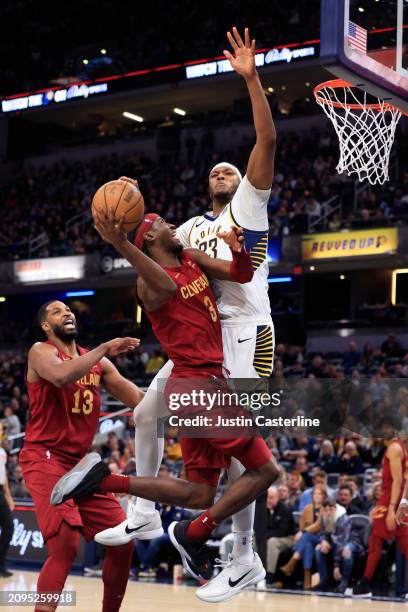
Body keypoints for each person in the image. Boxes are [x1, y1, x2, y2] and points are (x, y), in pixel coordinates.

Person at [95, 25, 277, 604]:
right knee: (147, 413)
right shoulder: (192, 230)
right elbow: (155, 241)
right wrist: (127, 200)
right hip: (199, 345)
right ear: (205, 184)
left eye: (233, 169)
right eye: (217, 171)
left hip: (248, 336)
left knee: (245, 457)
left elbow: (265, 144)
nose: (226, 173)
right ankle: (144, 509)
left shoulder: (247, 205)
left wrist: (251, 80)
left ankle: (242, 557)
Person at [51, 206, 281, 602]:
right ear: (151, 238)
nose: (172, 226)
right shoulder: (148, 285)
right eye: (162, 224)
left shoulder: (190, 257)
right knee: (266, 470)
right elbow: (168, 286)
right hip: (198, 386)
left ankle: (103, 482)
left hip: (202, 385)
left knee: (198, 493)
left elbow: (241, 275)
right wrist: (121, 241)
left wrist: (238, 250)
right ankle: (194, 534)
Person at [20, 300, 144, 612]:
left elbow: (138, 399)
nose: (67, 313)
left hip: (81, 464)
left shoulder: (98, 363)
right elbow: (61, 376)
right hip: (44, 456)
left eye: (69, 310)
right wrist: (103, 348)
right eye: (57, 312)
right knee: (65, 544)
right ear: (47, 326)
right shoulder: (41, 351)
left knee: (121, 540)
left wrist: (186, 393)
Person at [354, 416, 408, 597]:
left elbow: (398, 481)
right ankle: (365, 583)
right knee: (402, 542)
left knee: (376, 540)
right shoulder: (396, 446)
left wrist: (392, 508)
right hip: (391, 499)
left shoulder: (394, 448)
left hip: (392, 500)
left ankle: (365, 584)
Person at [280, 484, 328, 589]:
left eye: (319, 494)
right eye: (315, 493)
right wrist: (303, 531)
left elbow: (319, 525)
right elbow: (301, 525)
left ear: (324, 496)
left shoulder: (325, 508)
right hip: (308, 540)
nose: (317, 496)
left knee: (306, 536)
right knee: (307, 546)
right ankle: (307, 581)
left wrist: (304, 531)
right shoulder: (307, 509)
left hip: (321, 538)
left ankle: (292, 561)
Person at [313, 498, 362, 594]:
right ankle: (324, 580)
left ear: (335, 508)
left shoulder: (343, 519)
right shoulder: (324, 517)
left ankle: (344, 582)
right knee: (318, 548)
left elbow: (342, 543)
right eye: (326, 510)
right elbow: (323, 533)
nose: (328, 512)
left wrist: (336, 566)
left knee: (346, 551)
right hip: (336, 542)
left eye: (331, 509)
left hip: (352, 542)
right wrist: (323, 541)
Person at [263, 486, 296, 582]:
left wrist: (266, 536)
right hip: (271, 537)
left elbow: (282, 531)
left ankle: (269, 575)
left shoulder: (285, 509)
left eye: (271, 498)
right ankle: (252, 572)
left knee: (272, 542)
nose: (268, 500)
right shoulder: (264, 509)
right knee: (255, 540)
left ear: (278, 497)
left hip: (288, 538)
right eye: (267, 498)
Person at [0, 421, 14, 578]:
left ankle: (1, 564)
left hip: (0, 492)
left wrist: (9, 497)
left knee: (9, 528)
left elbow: (3, 477)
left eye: (2, 429)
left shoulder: (2, 452)